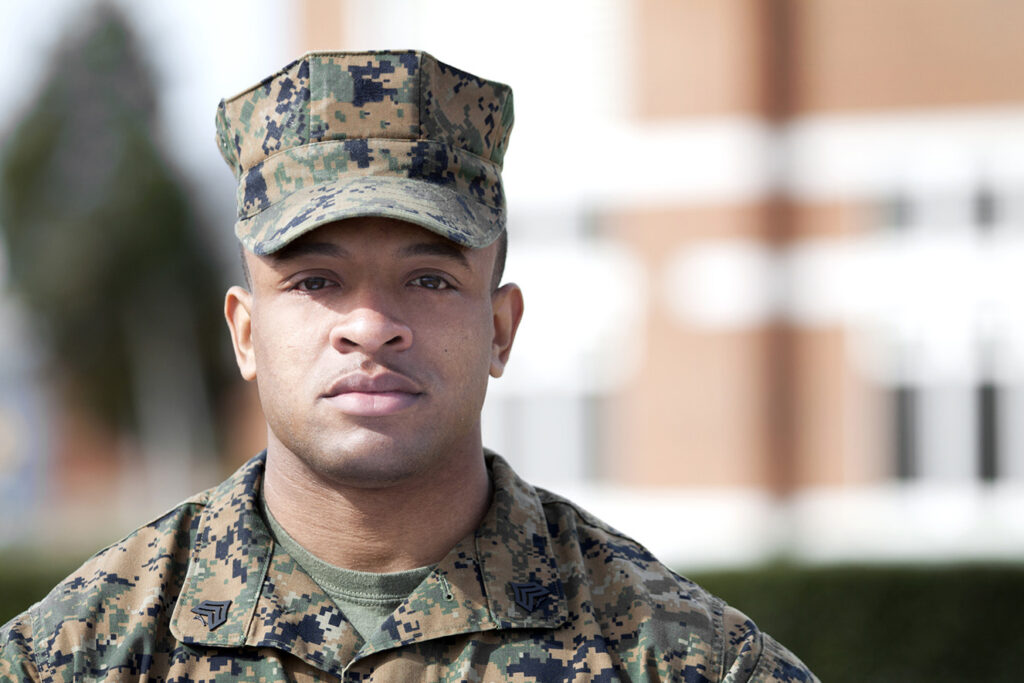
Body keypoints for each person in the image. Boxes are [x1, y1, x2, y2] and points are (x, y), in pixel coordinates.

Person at [0, 50, 818, 682]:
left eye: (429, 279)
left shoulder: (680, 658)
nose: (370, 325)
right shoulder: (77, 655)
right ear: (245, 334)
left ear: (501, 328)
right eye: (315, 280)